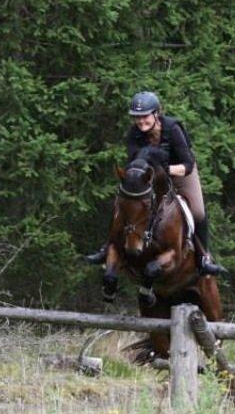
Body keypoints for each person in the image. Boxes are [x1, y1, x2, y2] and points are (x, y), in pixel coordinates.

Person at [84, 91, 225, 276]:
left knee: (197, 211)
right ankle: (108, 247)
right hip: (149, 175)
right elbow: (133, 161)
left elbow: (188, 164)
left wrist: (166, 170)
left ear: (156, 113)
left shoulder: (173, 129)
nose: (141, 121)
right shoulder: (134, 133)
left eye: (145, 116)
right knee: (124, 202)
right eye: (137, 117)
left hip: (179, 171)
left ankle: (203, 258)